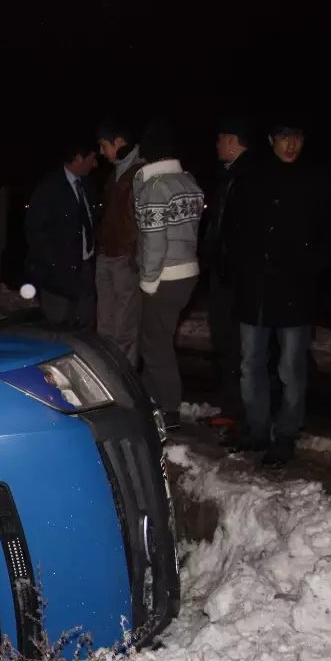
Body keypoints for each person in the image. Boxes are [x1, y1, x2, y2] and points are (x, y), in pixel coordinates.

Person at [227, 119, 331, 468]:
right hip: (255, 291)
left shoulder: (319, 178)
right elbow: (235, 226)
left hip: (296, 291)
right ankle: (258, 429)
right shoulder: (254, 176)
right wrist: (238, 267)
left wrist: (312, 265)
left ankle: (286, 434)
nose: (291, 145)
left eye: (297, 138)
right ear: (271, 140)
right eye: (284, 138)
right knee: (251, 365)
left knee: (291, 368)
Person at [133, 120, 204, 431]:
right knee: (158, 338)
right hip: (189, 272)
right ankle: (148, 399)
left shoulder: (155, 188)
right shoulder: (189, 183)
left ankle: (169, 408)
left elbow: (154, 240)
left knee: (155, 344)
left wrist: (148, 280)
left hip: (165, 275)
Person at [198, 114, 256, 433]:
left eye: (221, 138)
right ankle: (234, 408)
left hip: (235, 279)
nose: (217, 144)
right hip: (226, 274)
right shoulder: (231, 175)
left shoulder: (247, 177)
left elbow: (239, 230)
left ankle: (241, 412)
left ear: (233, 141)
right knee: (228, 345)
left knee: (235, 346)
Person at [25, 141, 99, 327]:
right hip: (57, 276)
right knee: (60, 331)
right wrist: (55, 263)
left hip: (85, 269)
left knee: (85, 330)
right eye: (92, 158)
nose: (95, 164)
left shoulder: (88, 186)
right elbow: (36, 232)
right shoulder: (49, 188)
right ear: (79, 158)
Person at [94, 120, 146, 365]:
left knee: (124, 329)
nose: (102, 153)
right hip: (107, 256)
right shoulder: (117, 172)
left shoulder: (140, 172)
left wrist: (136, 256)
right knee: (106, 327)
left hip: (125, 258)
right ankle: (107, 380)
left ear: (119, 142)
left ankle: (125, 385)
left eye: (105, 146)